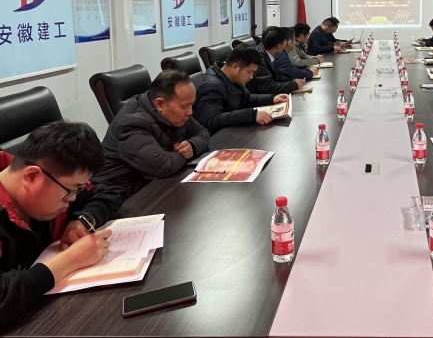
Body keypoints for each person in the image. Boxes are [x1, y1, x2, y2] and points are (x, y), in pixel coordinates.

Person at [0, 122, 113, 324]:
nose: (72, 199)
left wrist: (81, 220)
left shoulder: (54, 180)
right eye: (71, 191)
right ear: (31, 176)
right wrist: (69, 260)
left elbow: (108, 192)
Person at [91, 70, 210, 215]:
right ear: (160, 103)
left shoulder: (173, 112)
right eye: (185, 106)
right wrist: (185, 153)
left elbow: (203, 132)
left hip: (151, 185)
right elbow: (164, 166)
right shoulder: (131, 124)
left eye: (191, 105)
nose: (190, 112)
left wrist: (193, 145)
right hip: (118, 200)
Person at [193, 45, 289, 135]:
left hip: (231, 132)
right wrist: (252, 115)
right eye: (250, 72)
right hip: (217, 138)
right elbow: (213, 120)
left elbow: (247, 98)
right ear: (235, 67)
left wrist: (272, 98)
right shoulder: (210, 86)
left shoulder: (231, 78)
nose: (251, 77)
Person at [247, 28, 305, 95]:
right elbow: (267, 87)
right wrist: (293, 85)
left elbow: (279, 77)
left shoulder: (270, 54)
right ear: (279, 46)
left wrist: (292, 81)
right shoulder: (259, 59)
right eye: (285, 42)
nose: (286, 44)